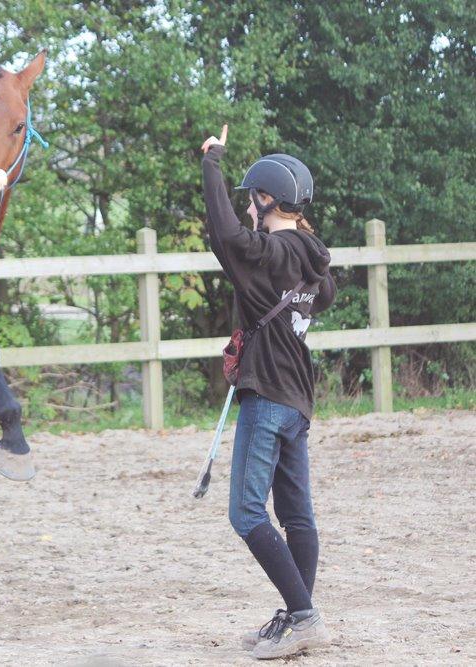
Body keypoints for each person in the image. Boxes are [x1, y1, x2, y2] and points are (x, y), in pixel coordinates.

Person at [200, 125, 337, 659]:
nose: (248, 211)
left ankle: (303, 616)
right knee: (297, 514)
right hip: (299, 399)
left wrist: (213, 162)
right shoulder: (313, 260)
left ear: (264, 200)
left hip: (268, 396)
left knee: (246, 513)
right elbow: (318, 297)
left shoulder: (266, 252)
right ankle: (298, 613)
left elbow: (226, 236)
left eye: (252, 200)